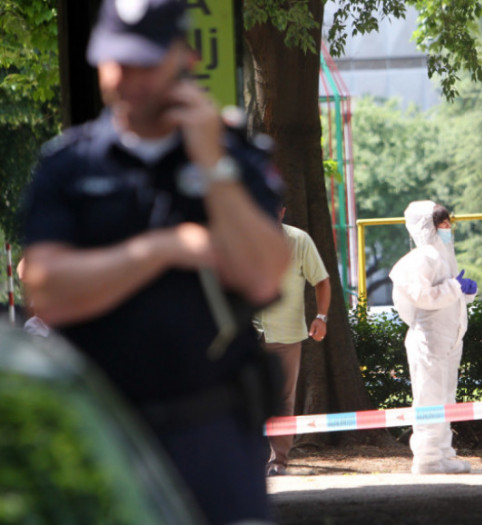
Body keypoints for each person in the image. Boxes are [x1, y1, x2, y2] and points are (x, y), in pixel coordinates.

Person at [17, 0, 289, 522]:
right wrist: (165, 249)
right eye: (117, 61)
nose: (129, 77)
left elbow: (260, 274)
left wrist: (212, 164)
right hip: (100, 430)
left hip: (212, 431)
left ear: (182, 56)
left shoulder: (232, 155)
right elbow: (47, 291)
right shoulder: (69, 164)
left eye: (145, 61)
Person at [389, 201, 477, 474]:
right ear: (427, 228)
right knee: (429, 398)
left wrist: (465, 291)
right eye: (442, 225)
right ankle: (427, 459)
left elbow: (450, 294)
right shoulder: (421, 258)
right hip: (429, 338)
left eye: (449, 224)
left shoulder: (444, 255)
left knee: (445, 397)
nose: (447, 230)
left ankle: (443, 454)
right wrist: (454, 287)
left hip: (449, 337)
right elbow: (422, 297)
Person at [255, 206, 331, 477]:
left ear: (283, 211)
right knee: (244, 395)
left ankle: (278, 461)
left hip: (285, 333)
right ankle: (248, 459)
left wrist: (321, 317)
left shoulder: (299, 240)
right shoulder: (242, 236)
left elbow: (322, 280)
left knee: (283, 398)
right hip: (245, 333)